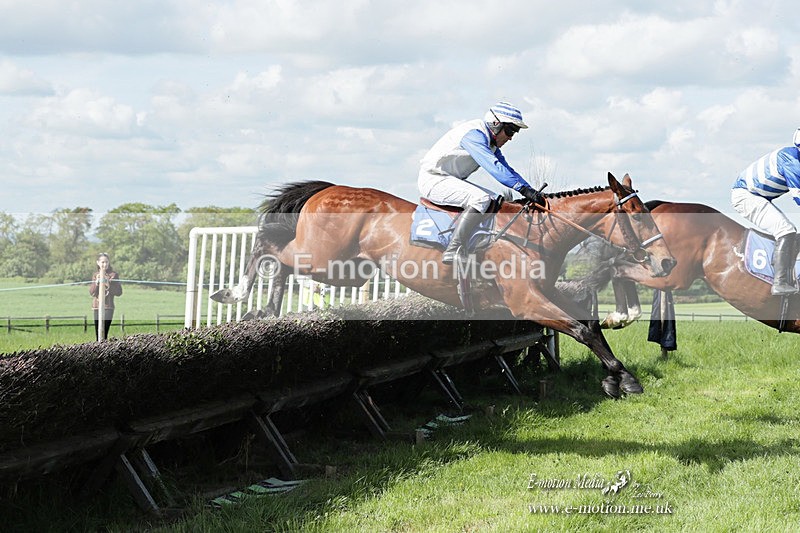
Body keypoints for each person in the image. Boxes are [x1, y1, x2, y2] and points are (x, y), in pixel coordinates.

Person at [418, 101, 544, 264]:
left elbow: (508, 170)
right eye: (510, 130)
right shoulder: (474, 135)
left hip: (448, 179)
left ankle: (477, 247)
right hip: (433, 179)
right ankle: (453, 249)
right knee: (481, 199)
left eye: (514, 132)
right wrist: (522, 189)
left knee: (496, 200)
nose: (511, 137)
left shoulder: (490, 143)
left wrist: (531, 190)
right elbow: (494, 168)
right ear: (496, 124)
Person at [732, 128, 800, 295]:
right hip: (746, 195)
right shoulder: (791, 159)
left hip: (757, 196)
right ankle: (779, 283)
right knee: (786, 230)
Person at [89, 253, 123, 340]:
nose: (105, 264)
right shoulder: (95, 275)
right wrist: (96, 283)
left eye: (107, 262)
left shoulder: (114, 275)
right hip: (96, 307)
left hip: (108, 307)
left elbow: (119, 292)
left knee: (104, 332)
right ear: (98, 263)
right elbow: (92, 292)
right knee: (98, 334)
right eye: (103, 262)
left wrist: (108, 285)